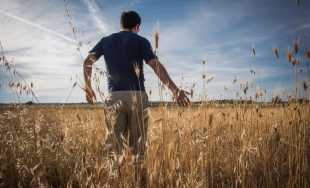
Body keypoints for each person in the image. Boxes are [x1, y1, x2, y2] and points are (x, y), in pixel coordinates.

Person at [83, 11, 190, 185]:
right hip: (138, 96)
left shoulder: (105, 40)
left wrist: (88, 88)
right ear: (137, 26)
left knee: (114, 150)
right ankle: (139, 183)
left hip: (114, 97)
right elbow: (155, 65)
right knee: (138, 149)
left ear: (121, 24)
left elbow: (87, 61)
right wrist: (175, 90)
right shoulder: (141, 41)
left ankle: (115, 182)